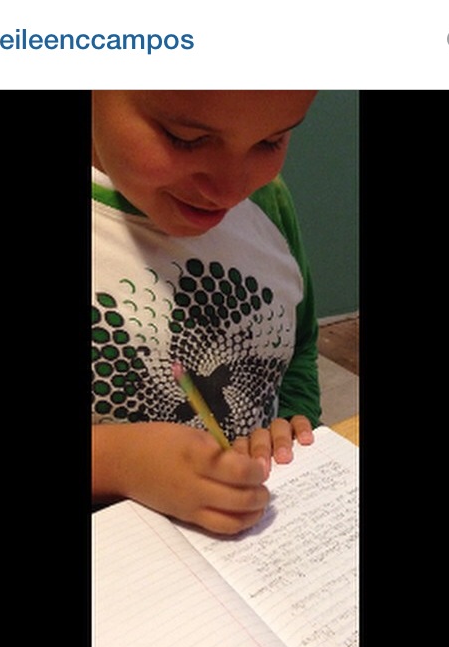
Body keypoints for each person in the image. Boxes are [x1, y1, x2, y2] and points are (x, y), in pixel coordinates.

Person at [92, 90, 322, 535]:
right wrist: (115, 461)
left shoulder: (267, 202)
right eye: (185, 138)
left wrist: (291, 426)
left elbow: (298, 349)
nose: (230, 191)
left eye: (270, 142)